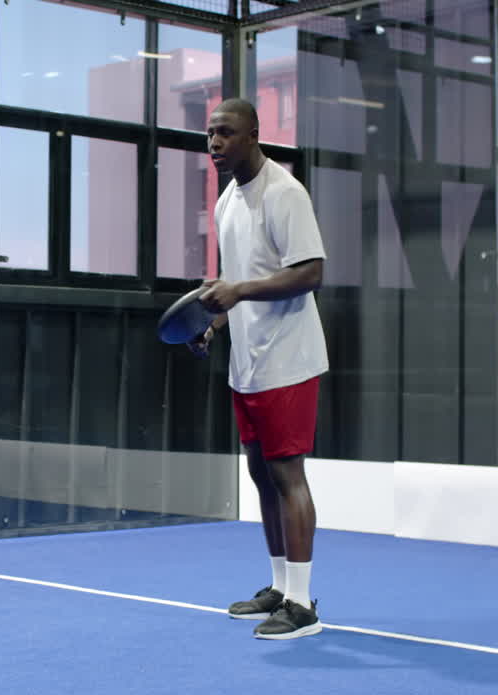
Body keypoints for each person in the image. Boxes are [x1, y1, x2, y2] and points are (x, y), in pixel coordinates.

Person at [190, 97, 328, 640]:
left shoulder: (285, 193)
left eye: (225, 133)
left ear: (253, 134)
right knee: (260, 475)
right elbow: (238, 278)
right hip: (246, 360)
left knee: (288, 475)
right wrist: (214, 323)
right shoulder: (227, 202)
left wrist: (240, 289)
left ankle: (302, 605)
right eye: (209, 134)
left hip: (288, 358)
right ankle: (278, 586)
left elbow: (311, 272)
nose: (215, 144)